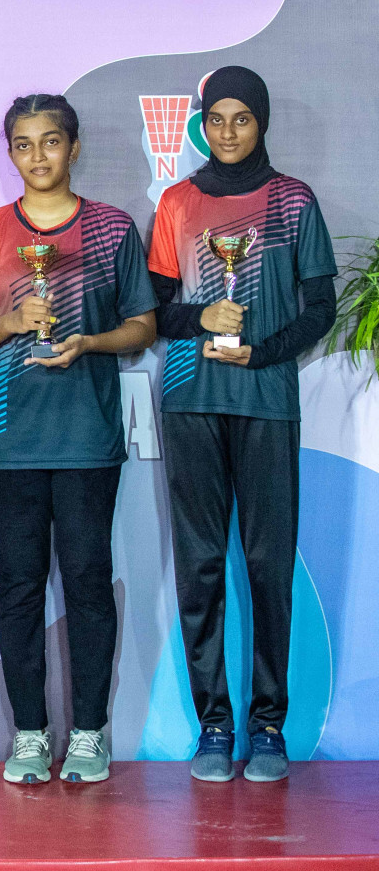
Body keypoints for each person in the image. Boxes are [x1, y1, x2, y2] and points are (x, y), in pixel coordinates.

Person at [0, 94, 157, 785]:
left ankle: (91, 732)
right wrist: (11, 323)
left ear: (74, 146)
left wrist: (90, 341)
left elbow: (142, 326)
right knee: (19, 588)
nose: (37, 156)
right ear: (10, 153)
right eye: (23, 144)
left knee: (91, 585)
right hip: (11, 443)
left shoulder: (111, 228)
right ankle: (31, 735)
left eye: (50, 142)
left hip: (89, 440)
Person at [147, 66, 335, 784]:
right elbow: (155, 309)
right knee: (199, 569)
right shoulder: (177, 203)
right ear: (201, 124)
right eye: (216, 119)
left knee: (266, 567)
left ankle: (268, 726)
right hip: (191, 403)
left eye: (241, 119)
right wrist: (200, 318)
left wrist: (266, 352)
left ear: (261, 123)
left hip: (265, 403)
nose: (228, 132)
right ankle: (214, 726)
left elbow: (320, 304)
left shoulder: (292, 201)